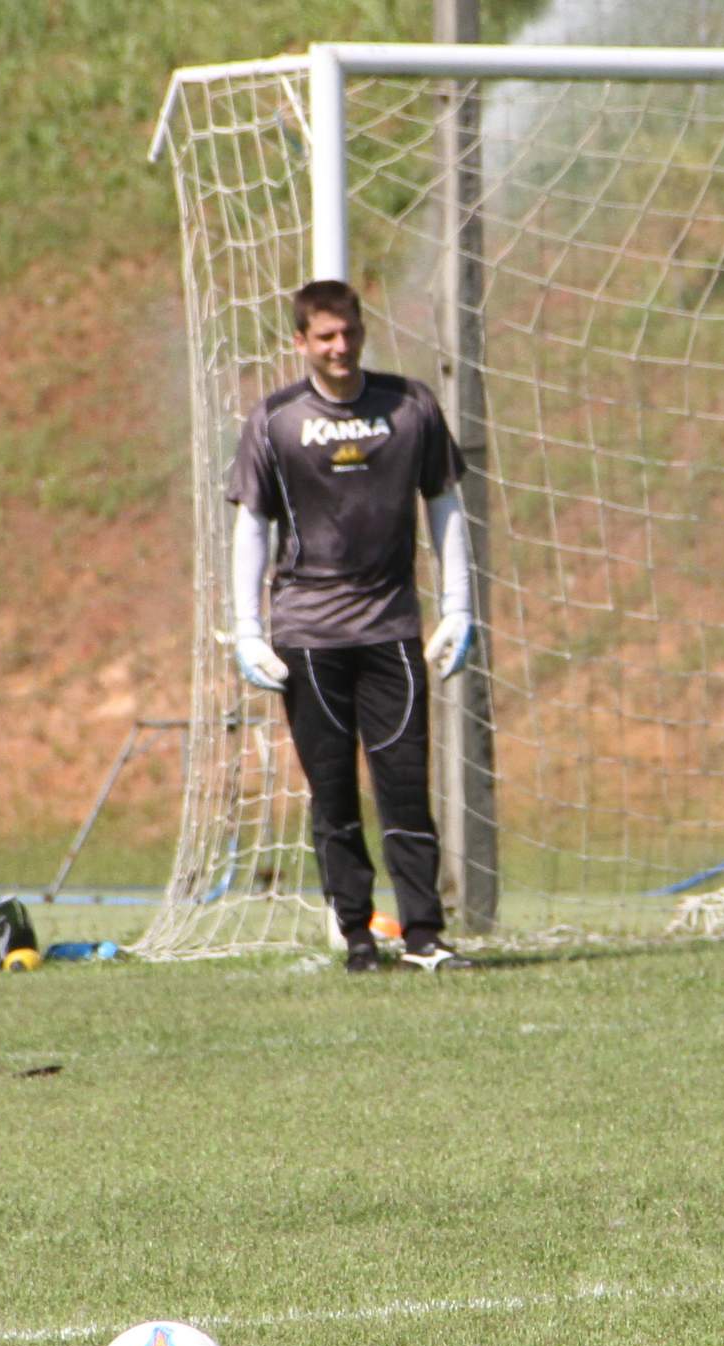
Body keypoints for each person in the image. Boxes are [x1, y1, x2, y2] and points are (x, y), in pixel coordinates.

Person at [226, 279, 479, 973]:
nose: (341, 348)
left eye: (350, 333)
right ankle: (358, 935)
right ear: (301, 342)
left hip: (392, 629)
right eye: (326, 336)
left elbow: (446, 505)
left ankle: (424, 933)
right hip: (306, 638)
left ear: (363, 331)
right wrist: (246, 628)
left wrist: (459, 605)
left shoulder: (410, 407)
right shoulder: (275, 420)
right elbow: (252, 524)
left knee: (405, 783)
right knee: (332, 791)